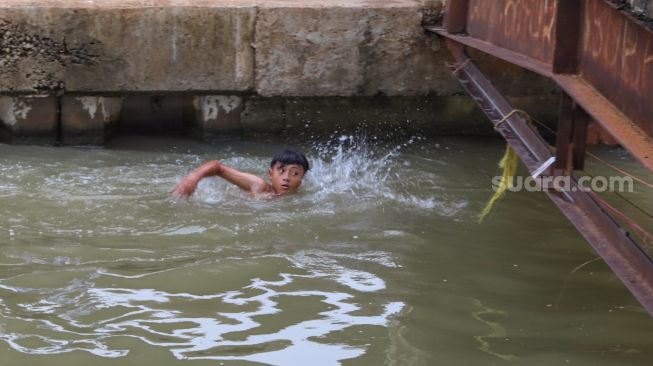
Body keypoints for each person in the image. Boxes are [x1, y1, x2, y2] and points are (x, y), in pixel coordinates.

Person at [171, 149, 310, 199]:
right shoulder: (259, 186)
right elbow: (217, 167)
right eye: (281, 171)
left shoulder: (306, 197)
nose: (286, 178)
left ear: (302, 179)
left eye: (294, 173)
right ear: (270, 174)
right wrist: (192, 179)